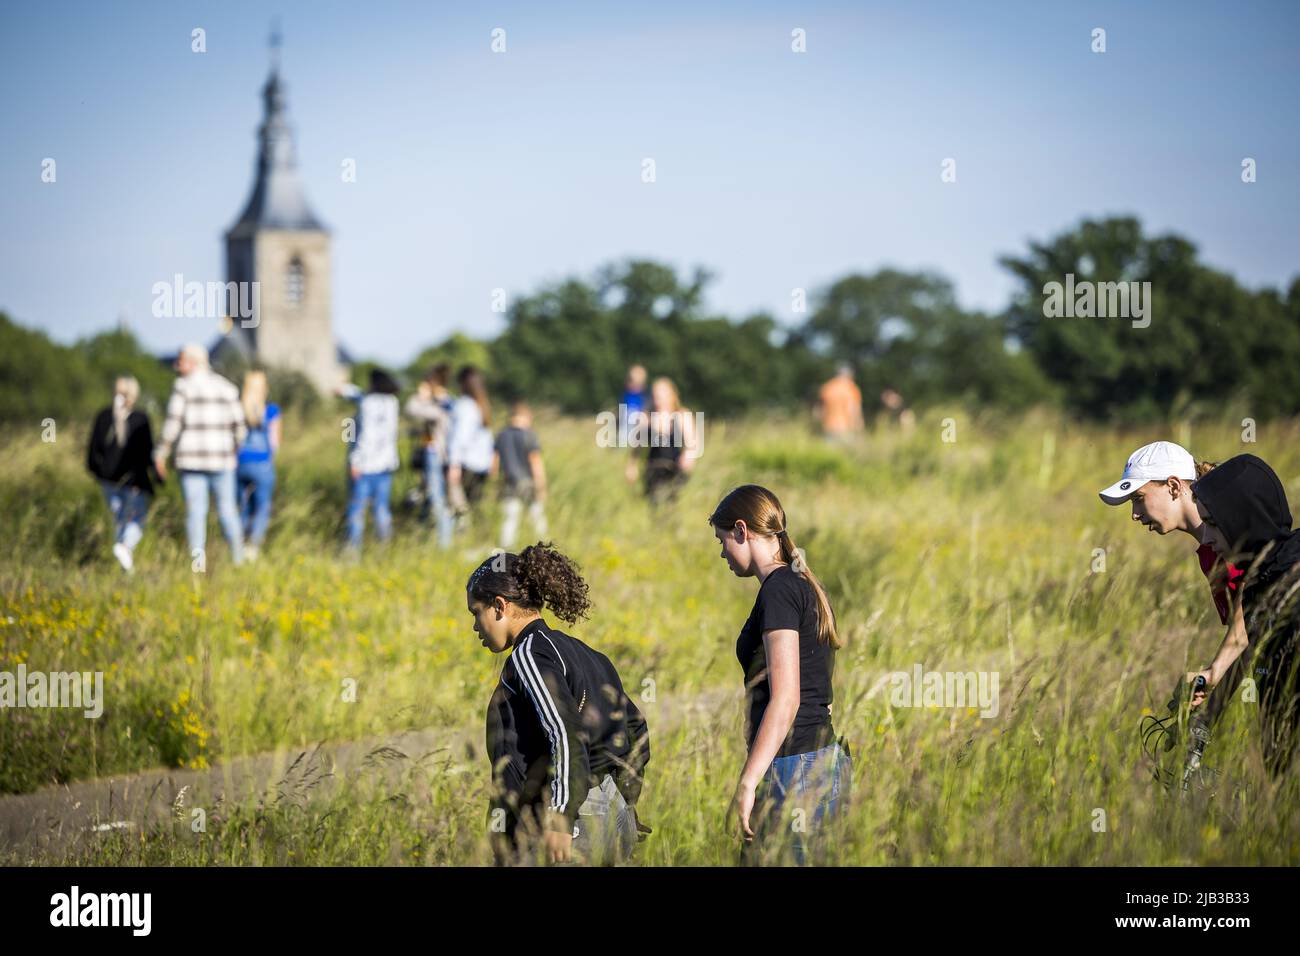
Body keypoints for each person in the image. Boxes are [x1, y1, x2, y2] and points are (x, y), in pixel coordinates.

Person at [466, 543, 651, 865]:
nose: (474, 627)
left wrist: (562, 816)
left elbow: (563, 732)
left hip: (571, 823)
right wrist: (626, 802)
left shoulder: (529, 655)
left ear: (499, 606)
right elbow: (635, 729)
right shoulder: (585, 653)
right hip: (613, 815)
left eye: (475, 613)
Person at [708, 484, 851, 865]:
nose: (722, 551)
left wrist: (747, 781)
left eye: (722, 540)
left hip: (795, 768)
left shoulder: (779, 591)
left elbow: (787, 698)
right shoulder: (803, 584)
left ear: (742, 530)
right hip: (819, 760)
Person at [1098, 441, 1246, 689]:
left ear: (1174, 486)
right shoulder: (1208, 551)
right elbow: (1244, 635)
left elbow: (1253, 612)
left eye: (1138, 498)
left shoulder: (1229, 535)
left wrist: (1212, 674)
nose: (1134, 514)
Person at [1191, 455, 1300, 776]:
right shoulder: (1259, 581)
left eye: (1212, 524)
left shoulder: (1290, 575)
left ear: (1242, 518)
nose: (1207, 539)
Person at [154, 344, 246, 567]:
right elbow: (240, 429)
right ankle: (238, 560)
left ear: (194, 362)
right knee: (228, 511)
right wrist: (233, 450)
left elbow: (173, 424)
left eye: (181, 360)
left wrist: (161, 453)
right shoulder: (227, 388)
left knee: (196, 513)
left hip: (191, 460)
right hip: (222, 460)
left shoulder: (183, 387)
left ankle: (197, 565)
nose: (177, 365)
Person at [86, 376, 157, 572]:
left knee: (125, 519)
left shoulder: (136, 418)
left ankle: (124, 560)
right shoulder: (108, 417)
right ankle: (125, 549)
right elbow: (94, 449)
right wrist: (97, 472)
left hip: (126, 480)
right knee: (131, 519)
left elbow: (146, 451)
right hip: (116, 480)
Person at [338, 369, 401, 553]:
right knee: (381, 510)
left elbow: (365, 437)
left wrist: (355, 461)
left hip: (365, 466)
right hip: (386, 465)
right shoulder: (392, 402)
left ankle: (352, 550)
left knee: (356, 510)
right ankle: (384, 549)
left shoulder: (367, 403)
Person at [404, 366, 453, 548]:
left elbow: (411, 409)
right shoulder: (444, 402)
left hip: (435, 454)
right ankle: (424, 539)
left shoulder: (442, 405)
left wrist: (420, 396)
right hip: (436, 455)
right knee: (428, 497)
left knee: (437, 498)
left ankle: (444, 544)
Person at [236, 370, 280, 561]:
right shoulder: (271, 410)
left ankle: (239, 542)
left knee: (242, 505)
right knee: (262, 506)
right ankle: (253, 545)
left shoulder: (238, 408)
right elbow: (275, 442)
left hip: (239, 463)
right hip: (262, 463)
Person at [633, 376, 698, 504]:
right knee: (654, 505)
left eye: (661, 396)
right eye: (655, 396)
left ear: (671, 395)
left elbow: (692, 444)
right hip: (652, 469)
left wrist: (688, 456)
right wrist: (632, 466)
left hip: (675, 469)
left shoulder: (682, 415)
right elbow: (637, 447)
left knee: (673, 504)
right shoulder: (646, 417)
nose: (658, 400)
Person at [493, 400, 548, 550]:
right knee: (536, 515)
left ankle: (505, 548)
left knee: (510, 518)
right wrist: (541, 485)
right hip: (527, 481)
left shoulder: (501, 435)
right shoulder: (529, 435)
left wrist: (494, 482)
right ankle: (545, 547)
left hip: (508, 482)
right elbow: (535, 462)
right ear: (527, 418)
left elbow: (495, 462)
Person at [447, 365, 494, 528]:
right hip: (482, 465)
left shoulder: (464, 405)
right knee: (475, 506)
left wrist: (453, 463)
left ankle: (462, 540)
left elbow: (460, 437)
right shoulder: (482, 405)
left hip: (466, 463)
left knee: (460, 509)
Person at [816, 364, 863, 441]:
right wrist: (859, 430)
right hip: (845, 429)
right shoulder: (851, 388)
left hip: (828, 428)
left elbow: (819, 412)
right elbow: (853, 411)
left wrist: (818, 427)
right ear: (849, 375)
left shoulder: (827, 387)